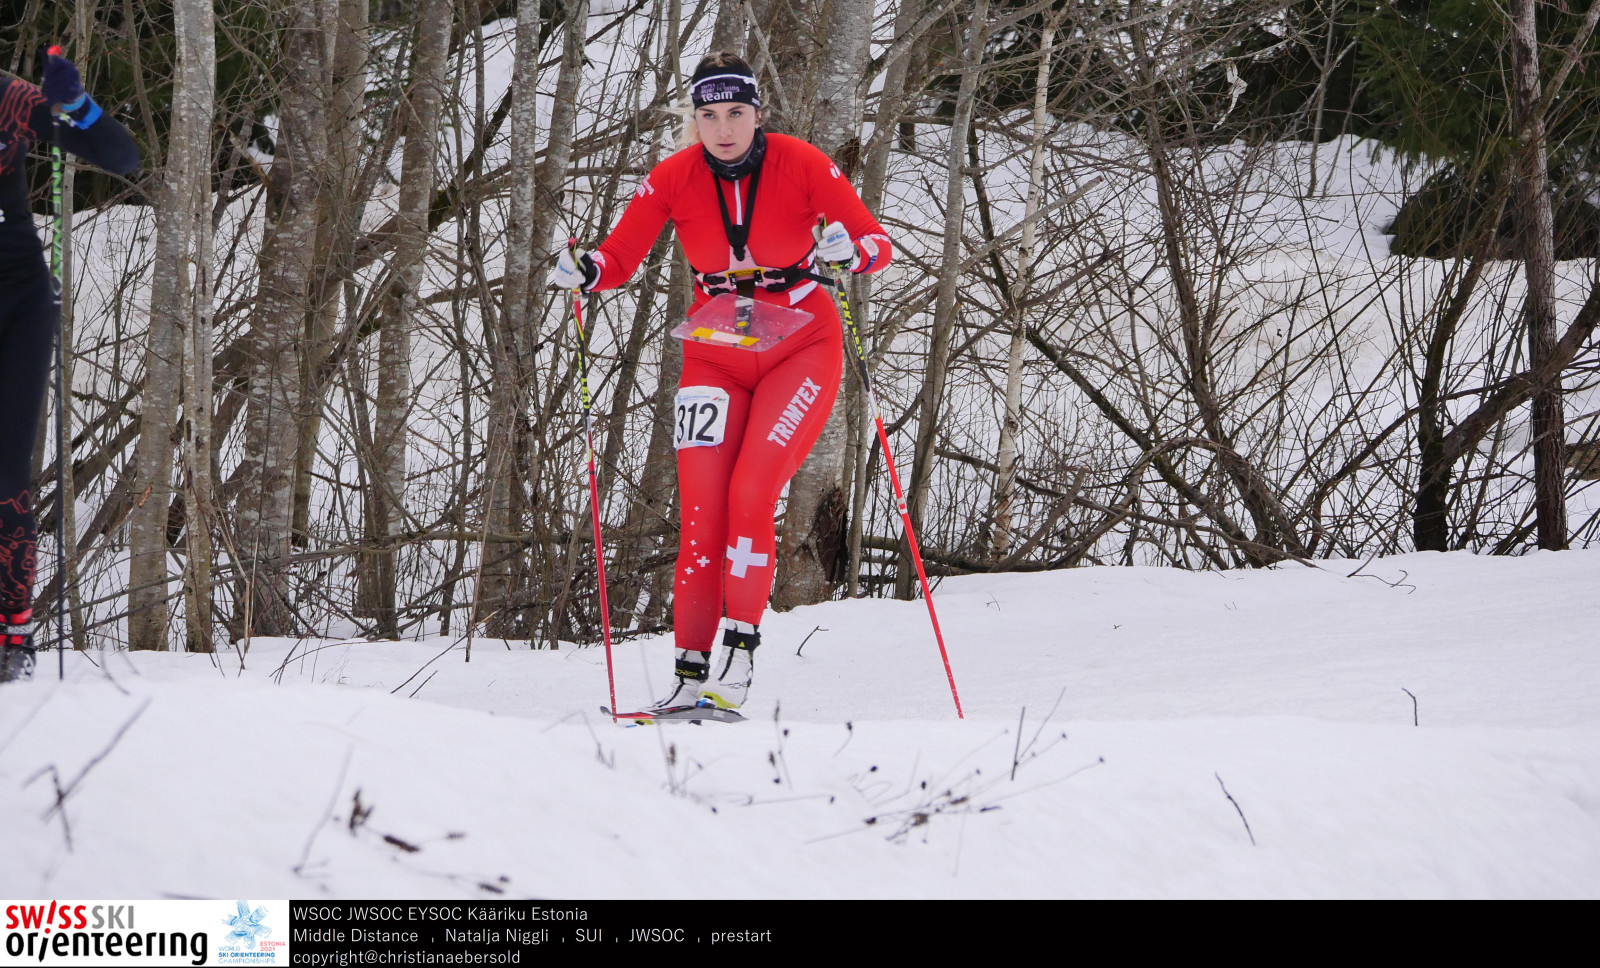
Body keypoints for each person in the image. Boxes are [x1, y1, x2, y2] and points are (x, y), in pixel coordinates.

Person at [554, 53, 893, 712]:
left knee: (752, 490)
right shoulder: (673, 176)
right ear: (696, 120)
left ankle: (738, 659)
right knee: (703, 513)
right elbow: (619, 257)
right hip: (716, 350)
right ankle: (688, 674)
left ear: (757, 114)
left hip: (802, 343)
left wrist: (853, 253)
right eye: (708, 115)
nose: (723, 128)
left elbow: (876, 242)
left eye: (736, 112)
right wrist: (587, 270)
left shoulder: (799, 162)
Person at [0, 50, 141, 683]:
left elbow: (122, 157)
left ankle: (11, 634)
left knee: (5, 478)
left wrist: (76, 106)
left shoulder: (6, 98)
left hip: (17, 302)